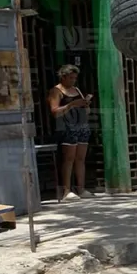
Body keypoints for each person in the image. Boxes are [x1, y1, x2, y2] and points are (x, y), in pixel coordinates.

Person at [47, 65, 94, 202]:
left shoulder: (76, 90)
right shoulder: (56, 91)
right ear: (63, 77)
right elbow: (55, 111)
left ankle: (81, 187)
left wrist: (85, 105)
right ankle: (66, 190)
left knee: (80, 158)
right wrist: (71, 105)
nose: (73, 81)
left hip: (81, 125)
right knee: (69, 159)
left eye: (75, 78)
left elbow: (86, 110)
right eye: (71, 78)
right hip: (67, 127)